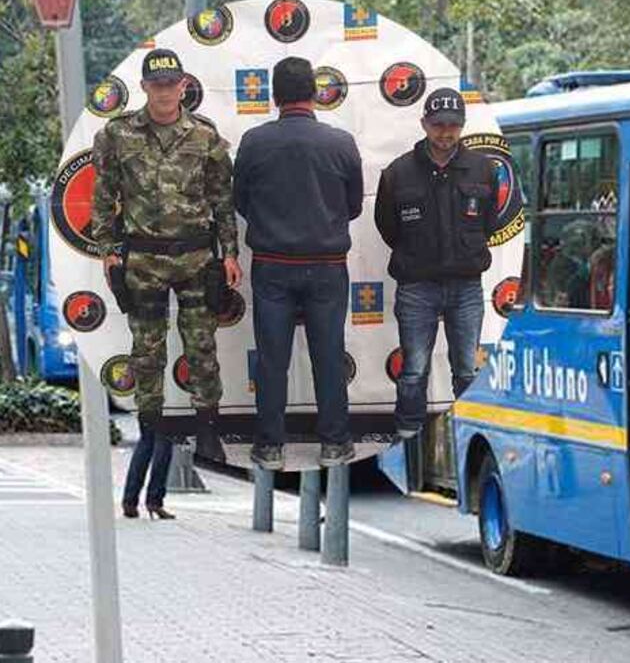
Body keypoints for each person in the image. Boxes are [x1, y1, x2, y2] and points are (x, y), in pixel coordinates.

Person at [90, 49, 241, 520]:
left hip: (196, 257)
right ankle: (149, 425)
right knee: (147, 352)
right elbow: (103, 196)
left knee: (202, 347)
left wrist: (230, 253)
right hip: (144, 258)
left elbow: (222, 199)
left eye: (171, 84)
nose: (164, 92)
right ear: (144, 88)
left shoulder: (205, 136)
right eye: (156, 85)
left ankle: (209, 429)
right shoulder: (117, 135)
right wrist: (108, 249)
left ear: (183, 87)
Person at [233, 57, 363, 470]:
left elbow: (241, 201)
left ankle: (270, 446)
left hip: (272, 264)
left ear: (274, 95)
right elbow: (354, 206)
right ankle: (334, 443)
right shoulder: (341, 143)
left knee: (272, 360)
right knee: (329, 356)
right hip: (327, 264)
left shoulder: (254, 142)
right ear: (315, 93)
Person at [374, 87, 502, 438]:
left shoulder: (483, 169)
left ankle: (469, 436)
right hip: (417, 286)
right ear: (424, 124)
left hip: (467, 286)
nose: (445, 132)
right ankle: (408, 436)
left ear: (462, 125)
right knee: (414, 371)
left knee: (467, 369)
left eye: (453, 125)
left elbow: (490, 223)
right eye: (438, 124)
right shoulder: (398, 173)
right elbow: (388, 226)